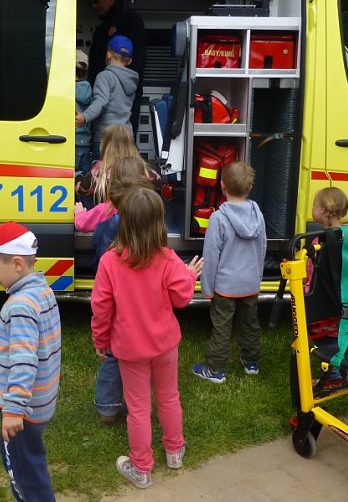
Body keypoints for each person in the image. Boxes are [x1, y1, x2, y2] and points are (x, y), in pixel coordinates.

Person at [91, 186, 203, 489]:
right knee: (169, 398)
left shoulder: (109, 262)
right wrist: (190, 275)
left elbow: (101, 307)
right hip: (165, 345)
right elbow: (182, 297)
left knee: (138, 408)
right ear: (159, 223)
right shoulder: (167, 258)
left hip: (129, 349)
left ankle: (141, 468)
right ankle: (174, 451)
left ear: (123, 221)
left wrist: (100, 340)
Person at [0, 222, 61, 502]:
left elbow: (24, 361)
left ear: (17, 263)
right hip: (37, 404)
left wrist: (13, 410)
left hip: (23, 413)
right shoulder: (42, 291)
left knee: (25, 474)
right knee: (26, 462)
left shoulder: (19, 306)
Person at [74, 157, 154, 424]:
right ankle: (137, 406)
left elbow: (101, 304)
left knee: (112, 357)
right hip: (139, 305)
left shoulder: (106, 217)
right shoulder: (150, 226)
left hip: (110, 289)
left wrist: (100, 337)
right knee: (140, 361)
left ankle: (108, 407)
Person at [192, 161, 267, 384]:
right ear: (250, 188)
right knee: (250, 323)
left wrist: (207, 288)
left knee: (222, 327)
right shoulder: (257, 215)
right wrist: (257, 277)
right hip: (250, 283)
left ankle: (215, 369)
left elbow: (211, 255)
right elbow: (262, 248)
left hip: (226, 287)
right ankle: (251, 362)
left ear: (222, 185)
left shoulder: (218, 218)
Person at [86, 0, 146, 137]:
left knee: (115, 144)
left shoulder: (130, 20)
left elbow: (136, 62)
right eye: (91, 3)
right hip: (104, 97)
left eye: (97, 0)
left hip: (119, 100)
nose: (94, 6)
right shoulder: (101, 28)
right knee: (123, 146)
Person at [307, 187, 348, 388]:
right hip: (347, 301)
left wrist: (303, 288)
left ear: (324, 210)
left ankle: (333, 375)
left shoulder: (321, 243)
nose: (312, 209)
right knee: (336, 333)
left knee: (323, 337)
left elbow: (311, 275)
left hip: (325, 303)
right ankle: (345, 367)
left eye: (314, 205)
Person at [76, 35, 138, 163]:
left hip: (106, 138)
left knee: (102, 177)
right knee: (121, 177)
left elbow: (101, 102)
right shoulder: (132, 80)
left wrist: (85, 117)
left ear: (108, 54)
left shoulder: (105, 76)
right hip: (126, 137)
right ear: (129, 61)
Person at [76, 123, 160, 204]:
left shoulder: (101, 169)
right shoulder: (142, 167)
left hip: (109, 215)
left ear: (105, 145)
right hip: (136, 214)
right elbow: (158, 182)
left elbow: (82, 190)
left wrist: (77, 175)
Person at [75, 49, 93, 177]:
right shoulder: (88, 88)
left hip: (73, 141)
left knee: (74, 178)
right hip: (86, 142)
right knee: (86, 180)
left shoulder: (69, 89)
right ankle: (86, 198)